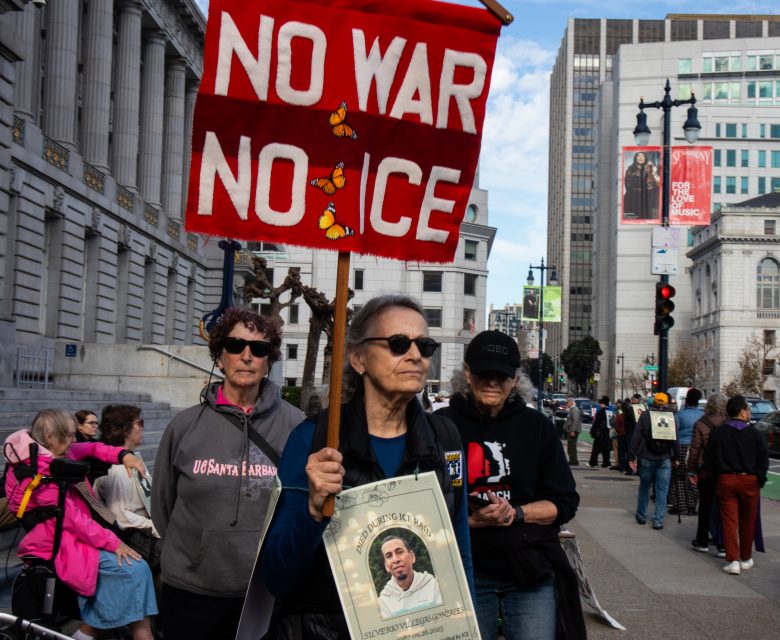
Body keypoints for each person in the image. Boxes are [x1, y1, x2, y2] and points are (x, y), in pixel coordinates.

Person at [260, 294, 472, 638]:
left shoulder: (444, 438)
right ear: (358, 358)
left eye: (425, 345)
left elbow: (459, 552)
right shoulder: (313, 441)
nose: (415, 355)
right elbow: (277, 577)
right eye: (398, 343)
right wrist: (313, 513)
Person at [152, 307, 304, 640]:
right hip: (191, 591)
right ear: (220, 357)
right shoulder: (184, 426)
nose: (246, 356)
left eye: (259, 349)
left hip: (264, 594)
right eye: (235, 346)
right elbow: (163, 504)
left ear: (268, 361)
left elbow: (300, 505)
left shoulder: (296, 427)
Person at [437, 330, 584, 640]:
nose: (492, 382)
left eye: (501, 375)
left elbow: (565, 501)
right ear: (467, 373)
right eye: (484, 373)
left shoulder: (537, 427)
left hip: (528, 569)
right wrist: (470, 521)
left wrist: (516, 513)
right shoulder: (442, 426)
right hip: (466, 569)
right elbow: (423, 505)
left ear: (515, 378)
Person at [4, 409, 156, 640]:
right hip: (57, 541)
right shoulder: (36, 475)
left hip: (76, 532)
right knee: (135, 568)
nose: (75, 441)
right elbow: (74, 521)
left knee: (136, 567)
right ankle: (96, 632)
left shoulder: (50, 453)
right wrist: (113, 543)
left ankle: (92, 632)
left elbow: (91, 448)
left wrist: (123, 454)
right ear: (50, 437)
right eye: (69, 436)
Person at [704, 395, 769, 575]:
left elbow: (710, 459)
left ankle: (733, 559)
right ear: (742, 411)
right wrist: (759, 479)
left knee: (729, 521)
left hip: (726, 479)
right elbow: (763, 460)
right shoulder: (755, 434)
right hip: (749, 480)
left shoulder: (718, 433)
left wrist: (716, 477)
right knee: (748, 521)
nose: (749, 413)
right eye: (748, 409)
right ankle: (746, 557)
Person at [94, 405, 160, 572]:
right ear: (124, 430)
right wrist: (158, 528)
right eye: (140, 423)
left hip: (144, 530)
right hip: (134, 538)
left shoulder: (131, 458)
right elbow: (121, 516)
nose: (143, 428)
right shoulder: (116, 469)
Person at [629, 392, 679, 530]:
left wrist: (632, 456)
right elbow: (676, 438)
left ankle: (642, 515)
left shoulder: (645, 416)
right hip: (665, 457)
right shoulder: (672, 417)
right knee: (662, 490)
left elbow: (636, 436)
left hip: (646, 456)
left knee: (644, 487)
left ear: (654, 402)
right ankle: (658, 520)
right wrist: (676, 457)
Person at [687, 393, 727, 554]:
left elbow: (695, 449)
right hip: (724, 470)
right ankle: (722, 543)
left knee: (704, 506)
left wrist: (691, 471)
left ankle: (702, 541)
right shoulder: (728, 423)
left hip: (705, 470)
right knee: (723, 507)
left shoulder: (701, 423)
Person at [377, 535, 442, 618]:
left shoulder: (434, 586)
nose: (395, 559)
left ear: (412, 557)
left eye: (399, 552)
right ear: (386, 566)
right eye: (389, 556)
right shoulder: (384, 602)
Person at [669, 388, 703, 516]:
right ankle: (692, 506)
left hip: (681, 447)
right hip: (696, 448)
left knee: (678, 477)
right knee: (693, 477)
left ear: (687, 401)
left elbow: (674, 434)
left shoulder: (680, 415)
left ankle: (679, 505)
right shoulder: (701, 415)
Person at [75, 409, 111, 483]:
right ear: (79, 425)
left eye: (96, 423)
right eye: (91, 423)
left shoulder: (94, 442)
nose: (95, 426)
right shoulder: (75, 443)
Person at [623, 150, 660, 220]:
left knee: (649, 217)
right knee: (634, 218)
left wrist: (652, 172)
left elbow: (655, 184)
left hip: (648, 197)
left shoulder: (650, 169)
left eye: (643, 156)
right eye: (638, 156)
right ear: (635, 158)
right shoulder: (630, 170)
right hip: (633, 197)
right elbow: (627, 185)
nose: (641, 157)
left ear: (645, 158)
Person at [588, 396, 611, 468]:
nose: (600, 404)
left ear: (602, 403)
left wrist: (592, 431)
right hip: (607, 432)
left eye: (600, 403)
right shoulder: (609, 411)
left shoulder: (601, 411)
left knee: (596, 448)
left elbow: (596, 423)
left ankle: (593, 462)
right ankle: (606, 462)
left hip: (600, 432)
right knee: (606, 448)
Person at [564, 398, 581, 465]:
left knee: (572, 446)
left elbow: (575, 420)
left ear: (571, 402)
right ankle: (572, 460)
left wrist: (572, 430)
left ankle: (573, 460)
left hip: (573, 430)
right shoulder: (572, 409)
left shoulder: (574, 410)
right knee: (570, 446)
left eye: (567, 402)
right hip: (571, 430)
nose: (567, 404)